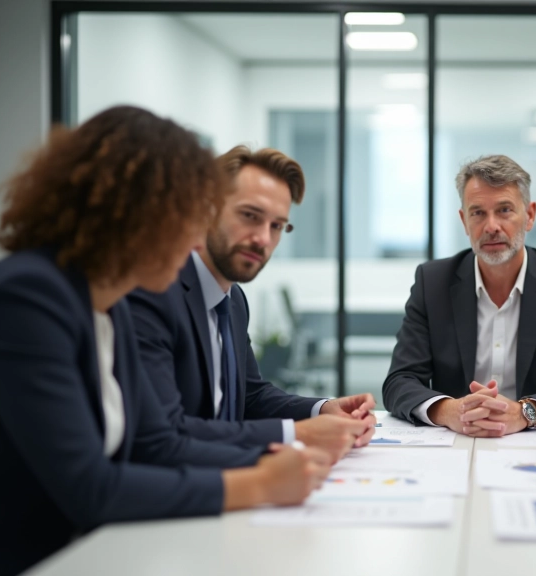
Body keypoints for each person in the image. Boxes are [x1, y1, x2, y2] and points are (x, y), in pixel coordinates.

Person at [0, 107, 331, 576]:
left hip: (106, 546)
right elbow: (89, 487)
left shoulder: (107, 302)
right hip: (22, 557)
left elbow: (158, 443)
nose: (198, 238)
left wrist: (288, 459)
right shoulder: (25, 298)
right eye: (188, 215)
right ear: (130, 211)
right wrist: (258, 484)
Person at [128, 146, 375, 461]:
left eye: (276, 226)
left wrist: (323, 409)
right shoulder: (157, 293)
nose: (263, 238)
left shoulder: (232, 299)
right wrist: (296, 435)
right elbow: (165, 432)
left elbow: (250, 396)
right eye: (250, 216)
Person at [383, 154, 536, 436]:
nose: (491, 226)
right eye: (478, 213)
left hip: (532, 440)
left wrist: (525, 412)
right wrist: (450, 410)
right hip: (454, 440)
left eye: (504, 210)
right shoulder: (432, 283)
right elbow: (400, 380)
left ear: (530, 215)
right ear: (464, 221)